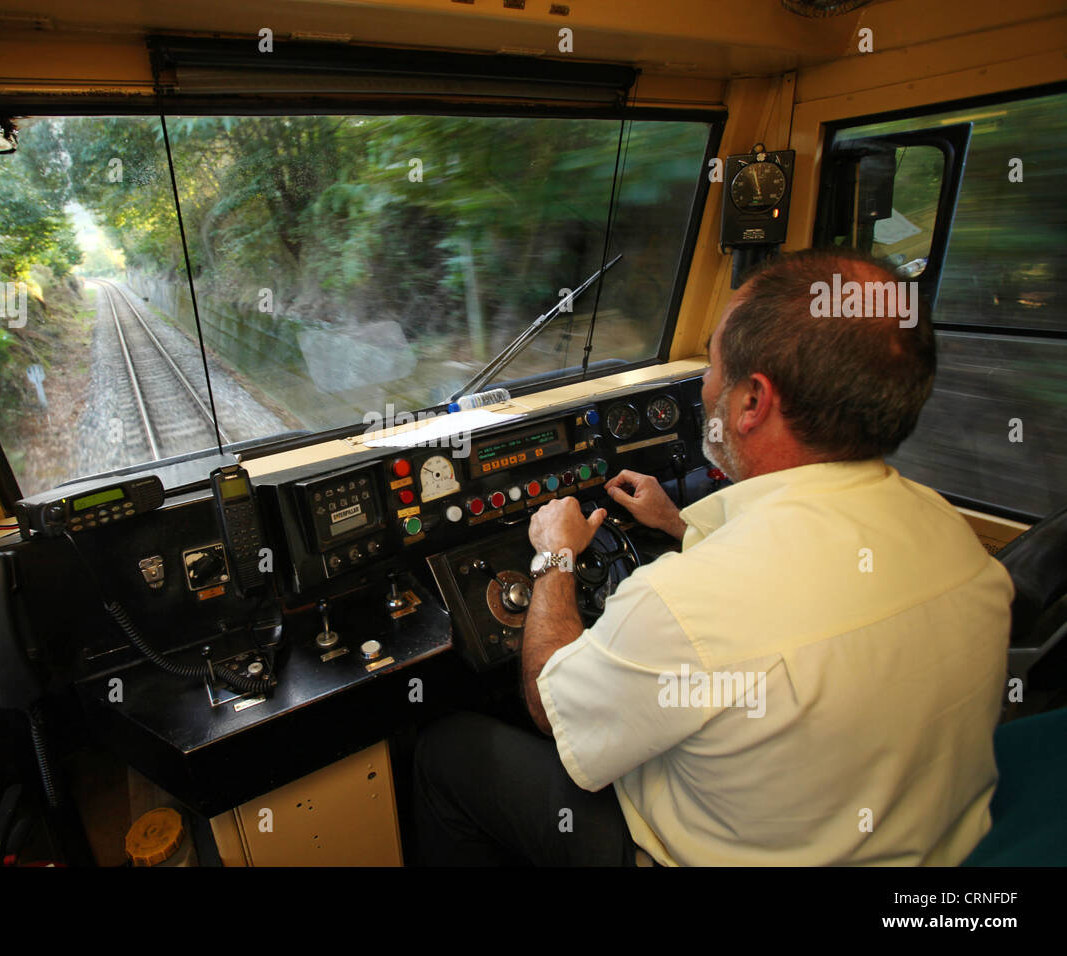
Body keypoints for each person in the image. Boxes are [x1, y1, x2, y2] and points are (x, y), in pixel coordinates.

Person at [413, 247, 1014, 866]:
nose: (703, 384)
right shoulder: (958, 541)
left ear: (753, 403)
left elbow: (548, 705)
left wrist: (555, 558)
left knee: (447, 752)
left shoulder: (682, 605)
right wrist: (678, 526)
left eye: (712, 362)